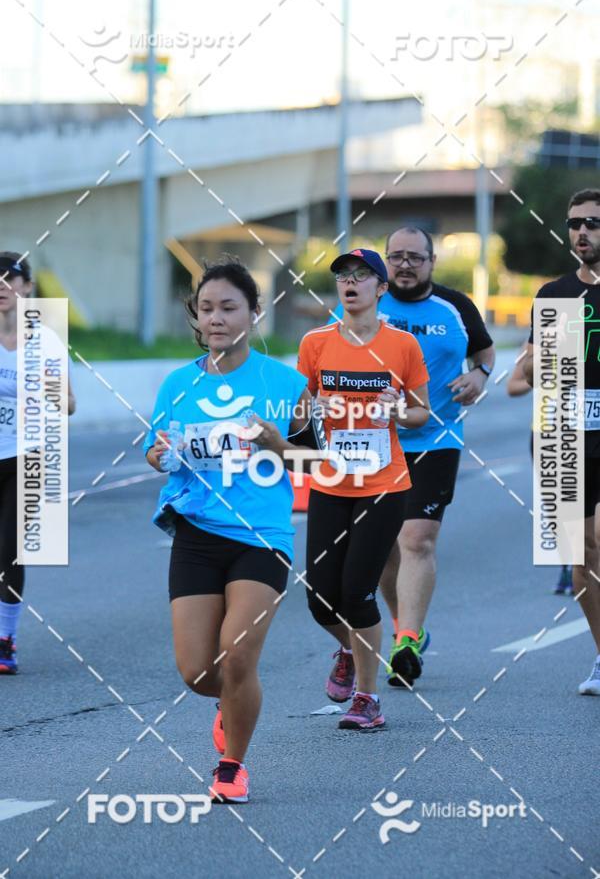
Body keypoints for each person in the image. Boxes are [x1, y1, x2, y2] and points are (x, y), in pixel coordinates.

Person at [144, 257, 315, 803]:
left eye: (228, 307)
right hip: (197, 531)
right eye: (206, 308)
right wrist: (161, 453)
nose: (215, 318)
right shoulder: (177, 382)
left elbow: (317, 464)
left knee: (238, 655)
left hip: (263, 535)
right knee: (197, 671)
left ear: (255, 312)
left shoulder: (288, 384)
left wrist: (278, 446)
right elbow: (155, 451)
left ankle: (232, 765)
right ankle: (231, 700)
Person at [331, 229, 494, 689]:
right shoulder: (368, 302)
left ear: (432, 261)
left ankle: (403, 640)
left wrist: (480, 374)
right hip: (374, 443)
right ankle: (409, 627)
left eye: (414, 258)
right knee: (383, 550)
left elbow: (484, 351)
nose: (405, 265)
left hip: (436, 439)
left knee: (417, 538)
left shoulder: (455, 307)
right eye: (396, 257)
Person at [298, 248, 430, 730]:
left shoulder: (402, 346)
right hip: (331, 481)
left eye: (361, 276)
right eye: (342, 277)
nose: (350, 283)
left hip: (384, 483)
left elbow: (421, 412)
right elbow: (297, 414)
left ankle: (367, 699)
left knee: (356, 593)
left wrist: (397, 410)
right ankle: (350, 649)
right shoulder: (315, 343)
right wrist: (316, 405)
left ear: (381, 288)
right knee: (318, 596)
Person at [523, 188, 600, 695]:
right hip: (569, 440)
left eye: (593, 223)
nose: (582, 233)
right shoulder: (554, 295)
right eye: (575, 223)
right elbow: (532, 371)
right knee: (581, 559)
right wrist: (537, 361)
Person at [0, 252, 76, 675]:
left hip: (25, 456)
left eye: (10, 278)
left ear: (27, 288)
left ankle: (5, 639)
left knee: (9, 551)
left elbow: (69, 403)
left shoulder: (44, 341)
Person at [507, 343, 573, 595]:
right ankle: (569, 563)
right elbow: (512, 387)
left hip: (585, 431)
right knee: (555, 504)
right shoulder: (536, 346)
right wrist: (540, 378)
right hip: (546, 431)